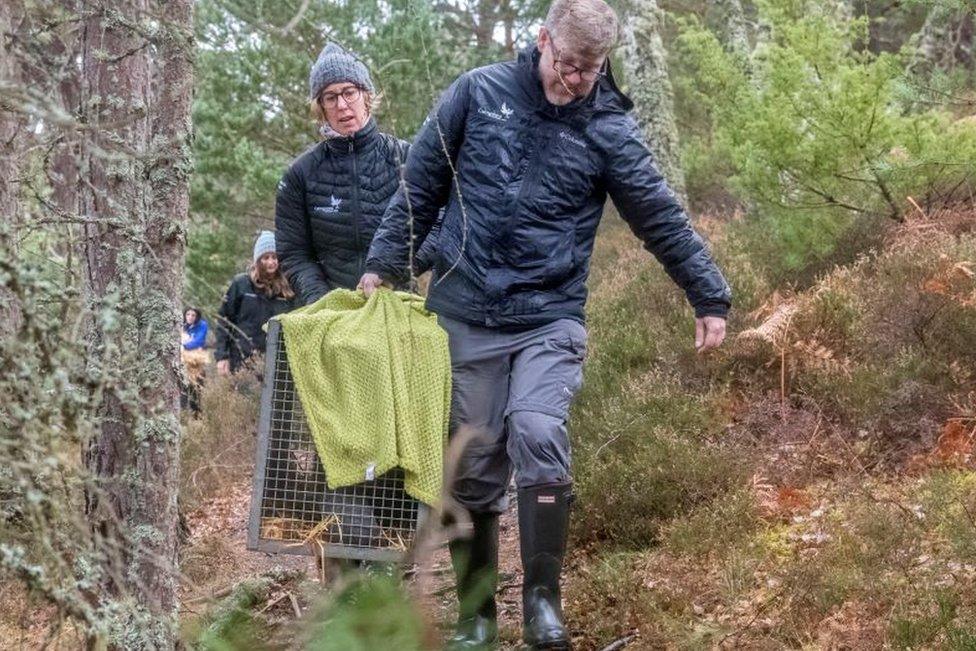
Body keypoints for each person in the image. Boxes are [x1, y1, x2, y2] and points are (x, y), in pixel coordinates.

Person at [360, 1, 732, 648]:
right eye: (568, 64)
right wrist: (380, 267)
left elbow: (660, 217)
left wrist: (708, 294)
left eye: (592, 69)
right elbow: (418, 186)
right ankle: (477, 613)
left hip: (548, 314)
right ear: (541, 42)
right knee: (472, 460)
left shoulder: (609, 129)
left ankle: (542, 603)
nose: (577, 80)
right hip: (464, 306)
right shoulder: (477, 93)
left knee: (537, 430)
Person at [275, 42, 436, 304]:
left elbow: (439, 226)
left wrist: (391, 272)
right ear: (321, 107)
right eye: (330, 97)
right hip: (329, 310)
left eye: (349, 92)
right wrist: (324, 301)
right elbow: (293, 252)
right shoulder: (299, 174)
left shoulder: (407, 158)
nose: (341, 105)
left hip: (397, 301)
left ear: (366, 95)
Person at [215, 231, 300, 375]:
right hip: (242, 360)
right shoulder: (241, 284)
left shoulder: (287, 290)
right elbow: (224, 320)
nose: (271, 262)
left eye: (274, 257)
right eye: (266, 257)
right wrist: (222, 356)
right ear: (258, 260)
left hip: (277, 363)